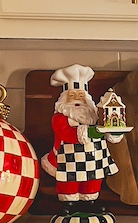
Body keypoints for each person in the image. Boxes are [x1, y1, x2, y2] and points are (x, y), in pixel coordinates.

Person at [41, 64, 122, 215]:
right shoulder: (59, 118)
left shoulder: (95, 116)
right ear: (64, 101)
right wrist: (93, 132)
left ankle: (90, 200)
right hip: (69, 158)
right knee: (69, 180)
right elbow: (67, 133)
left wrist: (113, 132)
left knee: (92, 179)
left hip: (94, 158)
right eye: (72, 98)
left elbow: (104, 129)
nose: (78, 102)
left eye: (81, 98)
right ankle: (69, 202)